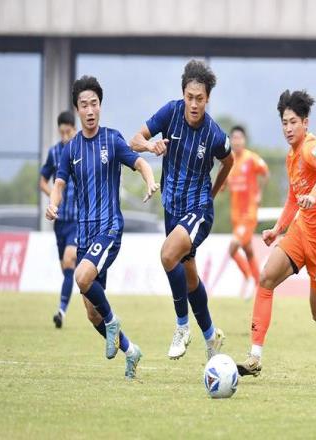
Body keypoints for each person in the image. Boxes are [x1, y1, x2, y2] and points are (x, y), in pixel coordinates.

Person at [46, 75, 159, 379]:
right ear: (77, 109)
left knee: (82, 277)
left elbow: (140, 163)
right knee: (91, 312)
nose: (90, 110)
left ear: (100, 106)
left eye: (94, 103)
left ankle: (112, 321)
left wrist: (150, 180)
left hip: (109, 228)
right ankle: (131, 350)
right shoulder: (71, 150)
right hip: (84, 234)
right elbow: (58, 185)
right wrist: (53, 204)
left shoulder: (112, 139)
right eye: (84, 105)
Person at [237, 90, 316, 377]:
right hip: (301, 232)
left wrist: (315, 194)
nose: (288, 128)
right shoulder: (291, 156)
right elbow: (293, 197)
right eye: (284, 123)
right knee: (266, 278)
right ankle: (255, 356)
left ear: (305, 123)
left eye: (293, 122)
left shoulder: (311, 148)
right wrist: (278, 229)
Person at [130, 60, 234, 361]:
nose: (194, 104)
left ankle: (182, 326)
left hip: (198, 209)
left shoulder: (214, 135)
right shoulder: (170, 113)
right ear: (183, 95)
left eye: (200, 98)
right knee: (190, 279)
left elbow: (229, 161)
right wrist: (150, 147)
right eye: (190, 97)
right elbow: (135, 140)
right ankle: (211, 336)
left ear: (208, 98)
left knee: (167, 255)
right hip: (172, 209)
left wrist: (213, 193)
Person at [39, 111, 78, 329]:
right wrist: (53, 197)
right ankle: (81, 285)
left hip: (78, 220)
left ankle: (61, 311)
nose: (65, 136)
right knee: (66, 268)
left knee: (69, 259)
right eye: (61, 132)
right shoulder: (54, 152)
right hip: (60, 221)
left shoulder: (82, 149)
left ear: (74, 129)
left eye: (68, 132)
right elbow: (43, 181)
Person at [225, 125, 269, 299]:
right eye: (234, 138)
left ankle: (248, 277)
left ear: (244, 140)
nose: (236, 141)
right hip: (235, 215)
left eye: (239, 138)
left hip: (248, 213)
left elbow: (265, 173)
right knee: (248, 250)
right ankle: (260, 286)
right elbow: (224, 183)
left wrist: (260, 193)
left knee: (233, 247)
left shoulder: (251, 159)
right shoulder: (229, 161)